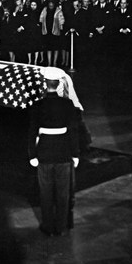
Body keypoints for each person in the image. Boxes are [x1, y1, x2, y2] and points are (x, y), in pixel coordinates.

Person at [28, 67, 79, 236]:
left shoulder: (37, 105)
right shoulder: (67, 104)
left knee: (46, 192)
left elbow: (32, 131)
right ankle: (62, 226)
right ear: (58, 84)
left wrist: (32, 154)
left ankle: (48, 226)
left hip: (44, 152)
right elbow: (73, 131)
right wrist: (75, 153)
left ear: (44, 84)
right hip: (63, 151)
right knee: (63, 193)